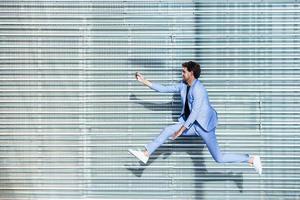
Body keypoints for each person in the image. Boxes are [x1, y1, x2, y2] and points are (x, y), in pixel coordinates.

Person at [128, 61, 262, 175]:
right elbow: (164, 89)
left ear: (191, 73)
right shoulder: (183, 86)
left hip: (205, 127)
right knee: (168, 129)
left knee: (219, 158)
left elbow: (195, 113)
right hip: (192, 125)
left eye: (184, 72)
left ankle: (250, 159)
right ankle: (146, 153)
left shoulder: (199, 89)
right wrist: (144, 81)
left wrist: (180, 131)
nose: (182, 74)